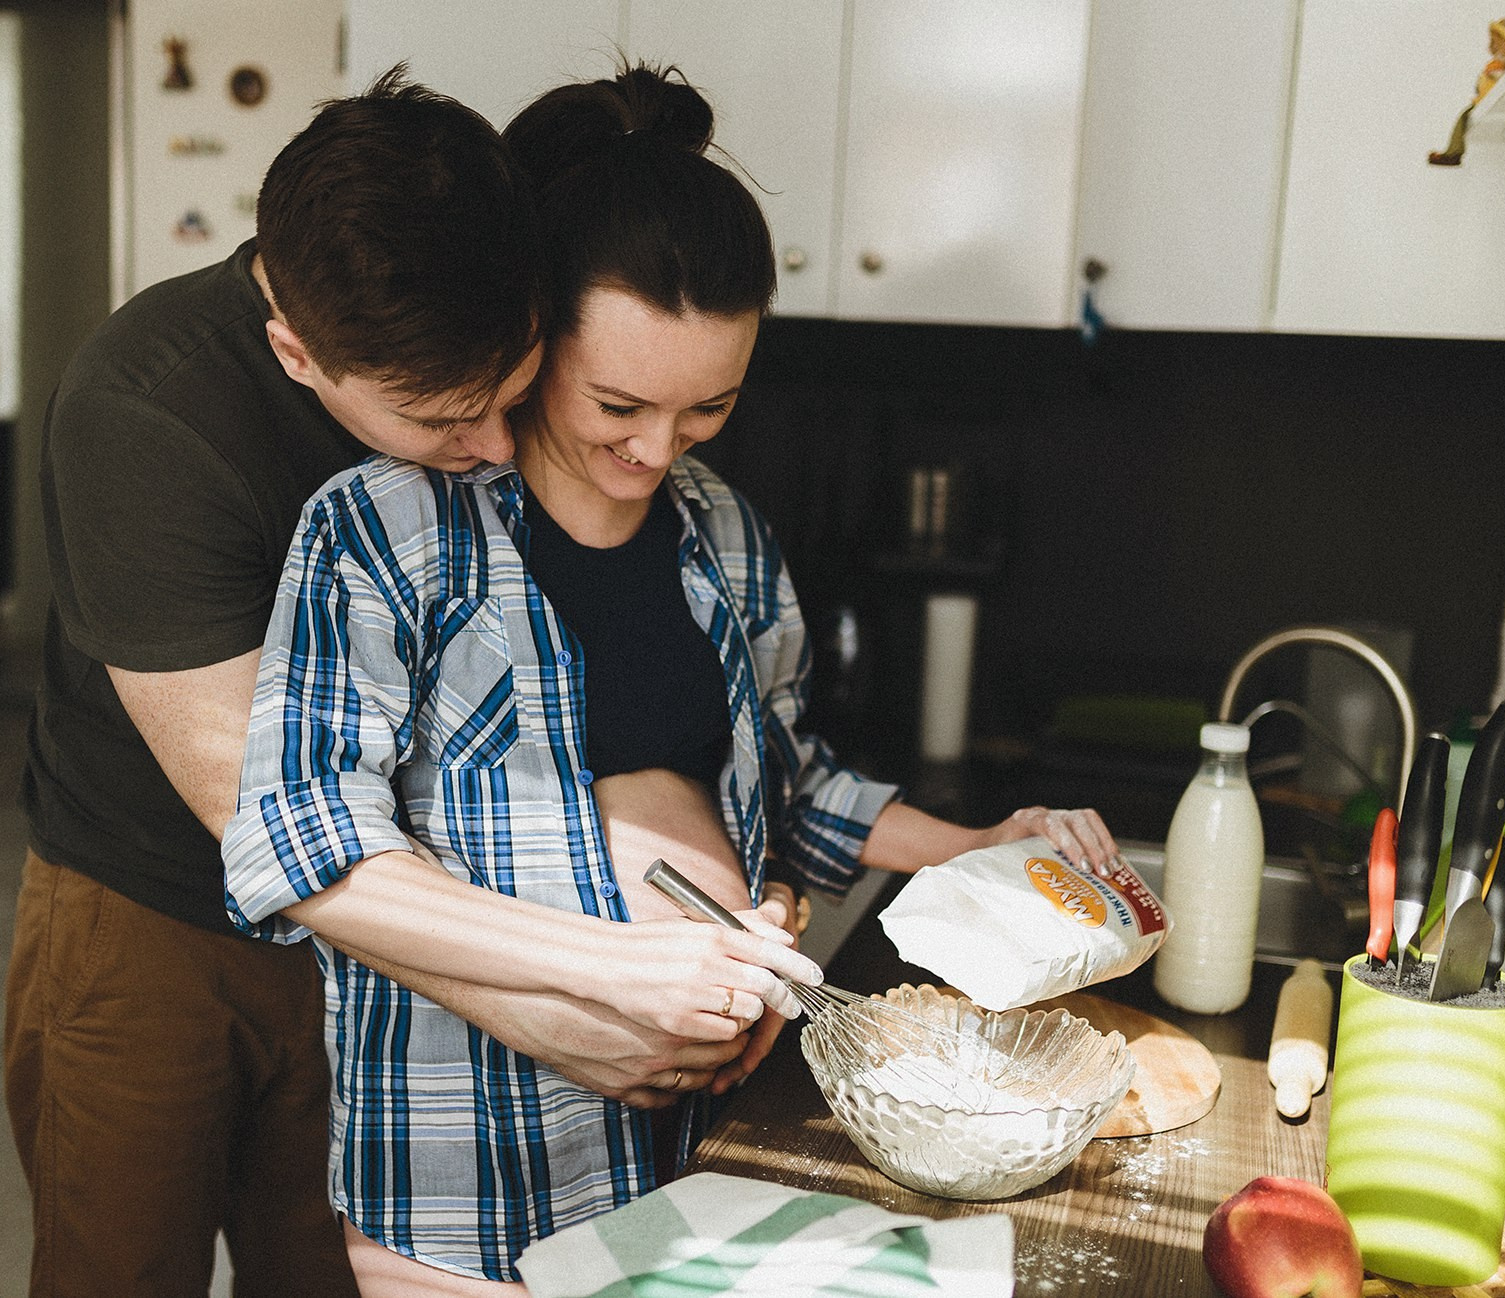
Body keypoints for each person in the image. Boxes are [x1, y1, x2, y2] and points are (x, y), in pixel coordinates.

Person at [221, 64, 1122, 1295]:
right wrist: (627, 966)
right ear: (538, 340)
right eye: (619, 404)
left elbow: (800, 788)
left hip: (702, 1147)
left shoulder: (727, 534)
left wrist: (975, 841)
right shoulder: (388, 532)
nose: (656, 449)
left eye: (708, 409)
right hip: (477, 1178)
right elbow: (301, 845)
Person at [3, 68, 687, 1298]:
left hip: (406, 918)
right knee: (120, 1269)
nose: (493, 449)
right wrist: (551, 1006)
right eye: (443, 422)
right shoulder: (148, 413)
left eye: (514, 396)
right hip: (152, 916)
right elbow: (260, 816)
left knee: (336, 1275)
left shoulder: (480, 291)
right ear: (294, 351)